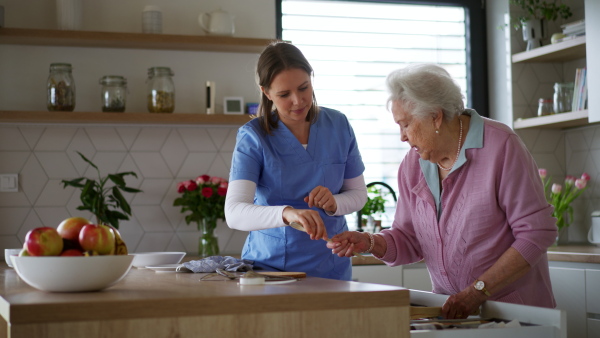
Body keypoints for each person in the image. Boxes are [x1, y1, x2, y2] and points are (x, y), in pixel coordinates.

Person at [328, 63, 557, 317]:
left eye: (405, 124)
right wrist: (370, 242)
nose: (402, 137)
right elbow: (408, 239)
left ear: (435, 117)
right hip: (454, 313)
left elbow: (536, 233)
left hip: (515, 313)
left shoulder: (501, 146)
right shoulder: (412, 165)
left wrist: (476, 292)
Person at [225, 42, 367, 280]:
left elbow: (358, 195)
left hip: (332, 267)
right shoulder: (254, 136)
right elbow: (235, 212)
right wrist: (287, 214)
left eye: (304, 88)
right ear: (266, 93)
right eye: (284, 94)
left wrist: (334, 202)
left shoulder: (339, 125)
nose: (298, 101)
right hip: (272, 271)